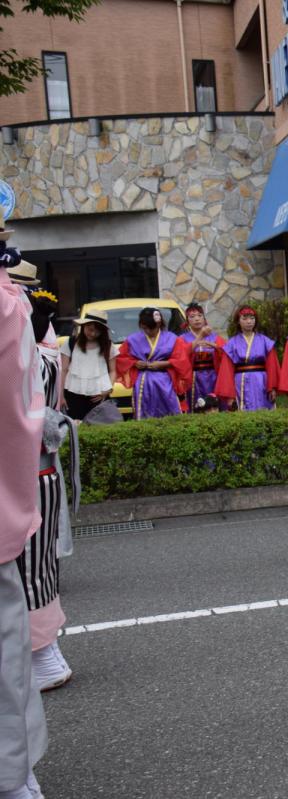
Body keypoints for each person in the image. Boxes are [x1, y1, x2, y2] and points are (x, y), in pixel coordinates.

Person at [0, 231, 49, 799]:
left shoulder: (16, 309)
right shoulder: (18, 310)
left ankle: (14, 777)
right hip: (21, 475)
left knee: (35, 580)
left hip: (35, 465)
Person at [21, 291, 77, 693]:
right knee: (37, 563)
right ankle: (43, 652)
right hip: (38, 464)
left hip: (26, 465)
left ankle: (42, 652)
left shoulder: (23, 323)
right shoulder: (39, 335)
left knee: (29, 564)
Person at [115, 306, 191, 419]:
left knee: (169, 412)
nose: (148, 331)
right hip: (143, 383)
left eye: (152, 328)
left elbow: (182, 360)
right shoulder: (132, 340)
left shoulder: (172, 338)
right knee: (144, 413)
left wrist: (164, 364)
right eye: (145, 328)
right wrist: (135, 363)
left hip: (165, 381)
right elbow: (121, 358)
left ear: (159, 324)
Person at [216, 306, 278, 412]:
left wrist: (272, 387)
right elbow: (227, 370)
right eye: (244, 319)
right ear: (238, 321)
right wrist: (230, 395)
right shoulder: (232, 343)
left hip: (261, 381)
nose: (249, 321)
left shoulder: (265, 341)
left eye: (252, 318)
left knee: (263, 411)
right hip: (240, 382)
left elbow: (272, 365)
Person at [180, 303, 226, 412]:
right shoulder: (182, 338)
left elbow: (226, 353)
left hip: (212, 376)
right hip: (193, 377)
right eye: (192, 317)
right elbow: (181, 356)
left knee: (213, 405)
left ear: (204, 318)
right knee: (195, 406)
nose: (197, 319)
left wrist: (214, 346)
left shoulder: (215, 337)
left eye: (200, 315)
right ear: (187, 321)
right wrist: (200, 337)